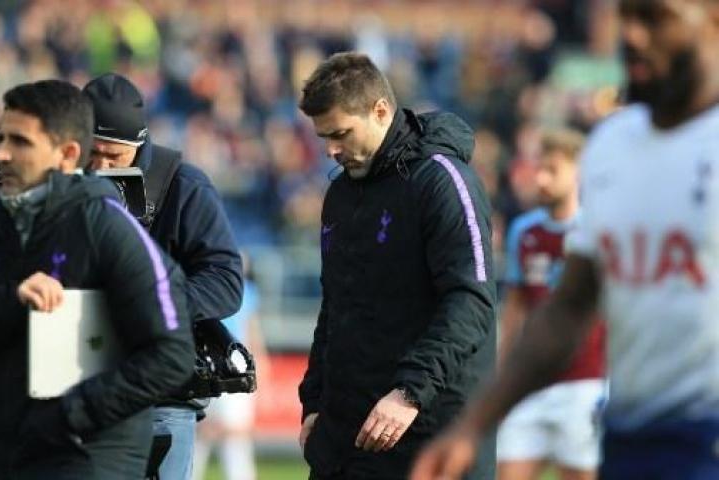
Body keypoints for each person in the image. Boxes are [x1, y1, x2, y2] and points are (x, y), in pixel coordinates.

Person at [411, 1, 719, 479]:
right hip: (630, 438)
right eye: (628, 17)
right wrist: (473, 424)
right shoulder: (612, 146)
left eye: (657, 18)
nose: (633, 35)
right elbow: (569, 307)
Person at [297, 52, 497, 479]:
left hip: (429, 431)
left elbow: (471, 300)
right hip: (348, 436)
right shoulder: (340, 196)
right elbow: (334, 307)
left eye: (340, 134)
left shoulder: (442, 181)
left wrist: (410, 393)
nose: (331, 150)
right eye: (323, 138)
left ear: (380, 111)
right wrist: (314, 403)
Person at [0, 79, 195, 479]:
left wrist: (71, 413)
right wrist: (12, 301)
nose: (2, 153)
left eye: (21, 142)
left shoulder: (107, 226)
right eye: (2, 138)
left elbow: (171, 354)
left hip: (86, 460)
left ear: (67, 154)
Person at [82, 73, 244, 480]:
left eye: (112, 156)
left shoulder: (184, 187)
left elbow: (225, 280)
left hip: (160, 397)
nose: (99, 165)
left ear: (138, 145)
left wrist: (153, 304)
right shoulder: (58, 183)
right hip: (76, 392)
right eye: (91, 152)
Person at [497, 128, 605, 480]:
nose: (541, 179)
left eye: (553, 169)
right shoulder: (524, 231)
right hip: (529, 379)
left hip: (584, 380)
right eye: (539, 169)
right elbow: (517, 306)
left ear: (578, 172)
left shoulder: (596, 230)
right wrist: (503, 368)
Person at [193, 254, 269, 480]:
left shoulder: (246, 291)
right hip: (211, 355)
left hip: (233, 357)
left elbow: (252, 328)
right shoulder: (213, 285)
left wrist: (260, 359)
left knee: (234, 439)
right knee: (200, 433)